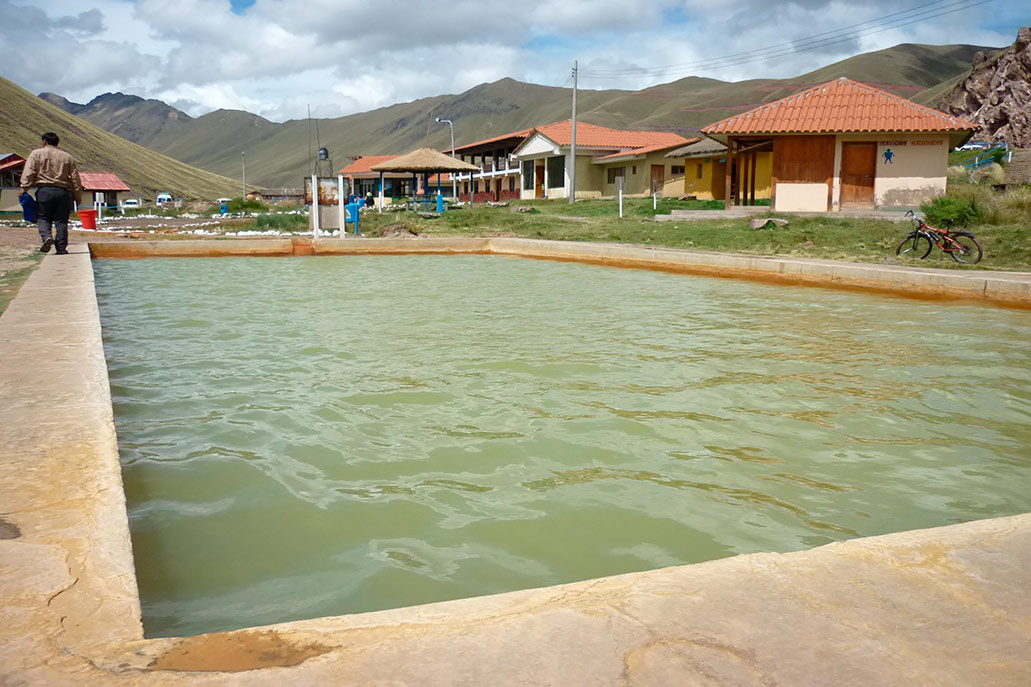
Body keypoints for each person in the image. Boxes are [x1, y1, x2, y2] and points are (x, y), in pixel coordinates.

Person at [19, 132, 83, 255]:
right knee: (61, 221)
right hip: (63, 192)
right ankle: (61, 248)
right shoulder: (67, 156)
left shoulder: (36, 154)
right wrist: (77, 195)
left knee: (43, 217)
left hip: (44, 191)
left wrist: (24, 188)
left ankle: (47, 237)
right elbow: (75, 178)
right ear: (57, 143)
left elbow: (29, 172)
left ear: (44, 142)